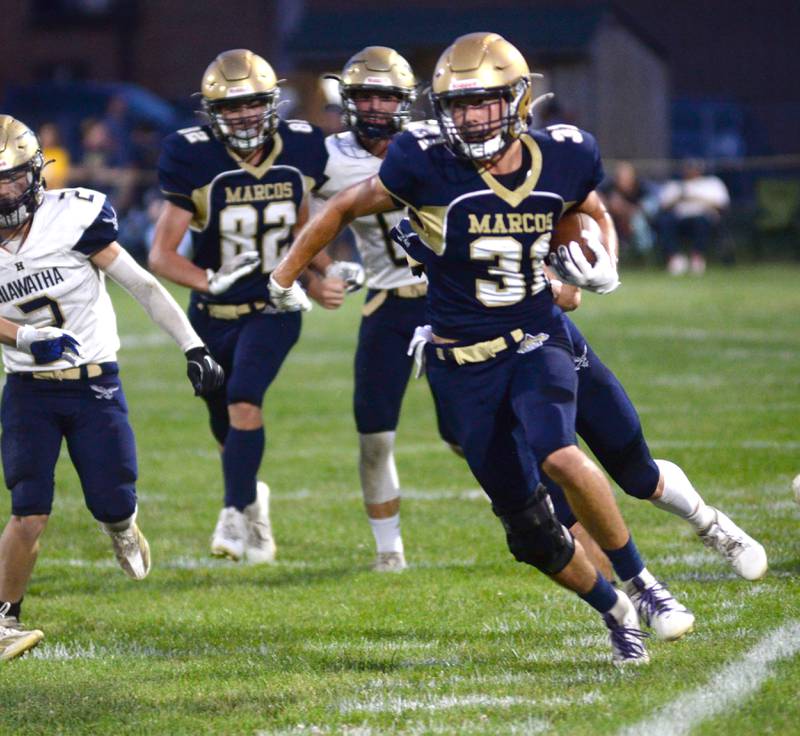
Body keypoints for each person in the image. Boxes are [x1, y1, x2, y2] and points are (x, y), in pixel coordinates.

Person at [269, 33, 697, 664]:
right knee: (530, 534)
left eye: (485, 103)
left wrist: (603, 260)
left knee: (561, 454)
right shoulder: (423, 160)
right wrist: (286, 276)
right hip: (458, 362)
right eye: (460, 106)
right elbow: (340, 208)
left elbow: (588, 209)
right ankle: (616, 611)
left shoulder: (563, 154)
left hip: (533, 338)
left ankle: (645, 583)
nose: (472, 118)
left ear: (517, 101)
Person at [395, 217, 768, 582]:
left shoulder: (499, 195)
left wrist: (591, 262)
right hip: (488, 374)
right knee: (567, 505)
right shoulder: (415, 216)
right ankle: (638, 598)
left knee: (639, 475)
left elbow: (573, 271)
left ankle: (708, 523)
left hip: (547, 347)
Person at [0, 115, 224, 661]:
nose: (3, 191)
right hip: (29, 389)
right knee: (29, 507)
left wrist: (193, 346)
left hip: (94, 383)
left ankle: (122, 527)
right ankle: (4, 618)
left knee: (113, 500)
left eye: (10, 178)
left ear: (35, 174)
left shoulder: (73, 217)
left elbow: (143, 285)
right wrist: (27, 338)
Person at [149, 49, 362, 564]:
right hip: (212, 314)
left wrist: (319, 277)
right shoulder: (192, 155)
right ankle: (254, 506)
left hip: (274, 306)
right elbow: (160, 255)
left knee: (245, 397)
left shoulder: (303, 146)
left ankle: (231, 511)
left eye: (252, 103)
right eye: (231, 106)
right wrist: (209, 280)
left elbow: (302, 230)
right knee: (225, 425)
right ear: (211, 113)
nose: (243, 115)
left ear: (272, 102)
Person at [311, 46, 443, 572]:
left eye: (386, 96)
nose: (375, 106)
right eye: (364, 95)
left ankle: (527, 510)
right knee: (374, 436)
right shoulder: (330, 156)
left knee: (468, 433)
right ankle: (389, 551)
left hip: (451, 304)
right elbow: (298, 214)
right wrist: (320, 270)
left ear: (405, 101)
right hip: (388, 306)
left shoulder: (437, 145)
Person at [655, 159, 730, 275]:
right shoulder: (675, 185)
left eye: (694, 168)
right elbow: (663, 206)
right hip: (680, 219)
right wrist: (679, 198)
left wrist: (696, 198)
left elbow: (722, 204)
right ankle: (675, 258)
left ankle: (697, 257)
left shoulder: (712, 183)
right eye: (688, 168)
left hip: (703, 218)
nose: (691, 171)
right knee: (665, 221)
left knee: (702, 221)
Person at [599, 161, 657, 257]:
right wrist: (608, 204)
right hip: (614, 219)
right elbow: (598, 197)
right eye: (619, 177)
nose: (621, 180)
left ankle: (645, 254)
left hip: (642, 221)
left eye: (625, 177)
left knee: (638, 220)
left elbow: (643, 209)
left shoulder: (641, 187)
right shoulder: (610, 187)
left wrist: (623, 207)